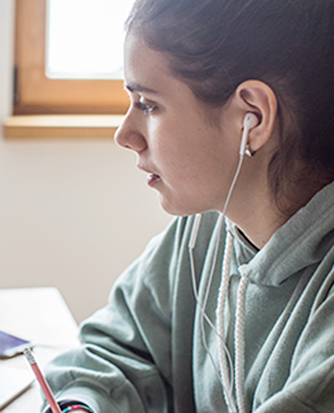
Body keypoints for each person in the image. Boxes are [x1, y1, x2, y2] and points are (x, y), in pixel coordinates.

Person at [42, 0, 334, 412]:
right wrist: (82, 406)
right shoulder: (204, 231)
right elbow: (117, 352)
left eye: (148, 104)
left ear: (251, 117)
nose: (125, 134)